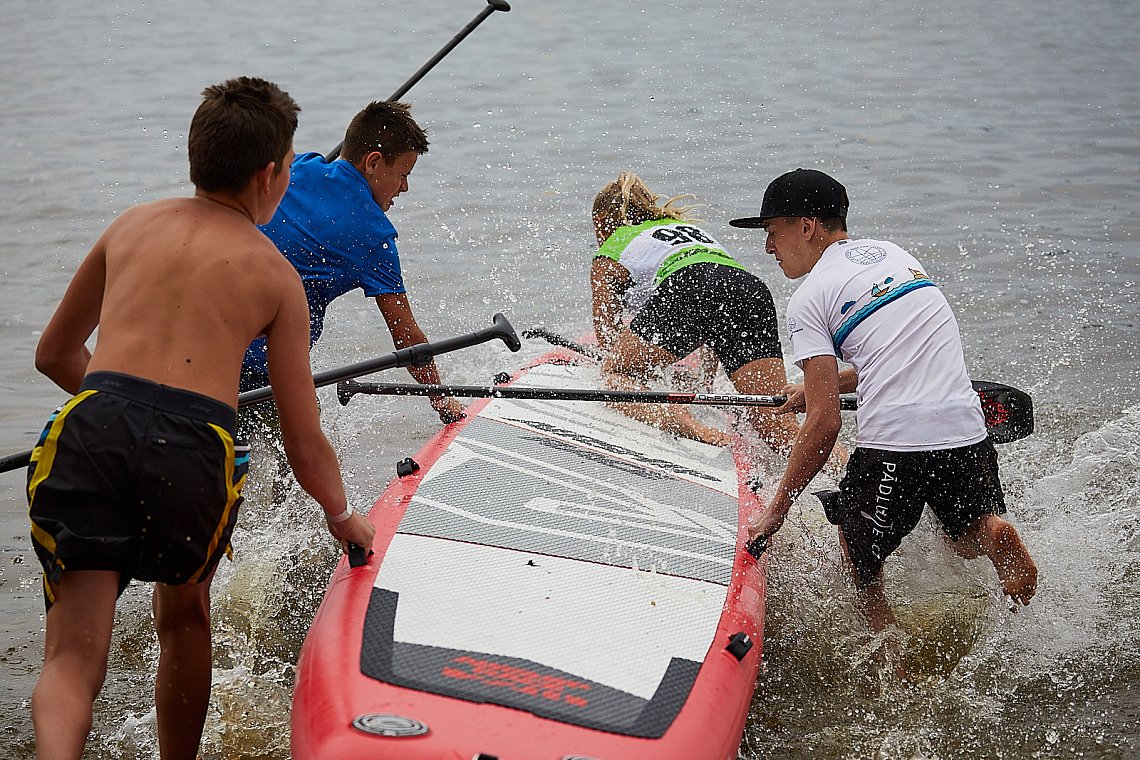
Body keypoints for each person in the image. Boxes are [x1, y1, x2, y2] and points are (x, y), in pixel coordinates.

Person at [26, 77, 375, 760]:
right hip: (194, 445)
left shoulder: (129, 225)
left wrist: (116, 403)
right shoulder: (276, 277)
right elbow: (304, 443)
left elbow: (53, 353)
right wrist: (343, 517)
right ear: (271, 176)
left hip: (93, 424)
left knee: (71, 659)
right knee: (184, 619)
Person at [733, 167, 1038, 632]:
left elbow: (824, 425)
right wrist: (825, 384)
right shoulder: (896, 257)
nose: (768, 247)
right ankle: (993, 534)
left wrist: (776, 510)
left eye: (773, 231)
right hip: (965, 429)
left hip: (894, 445)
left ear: (807, 227)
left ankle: (887, 652)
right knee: (964, 536)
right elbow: (895, 355)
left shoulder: (809, 298)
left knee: (858, 552)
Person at [240, 99, 465, 425]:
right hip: (265, 370)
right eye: (403, 173)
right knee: (305, 457)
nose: (404, 187)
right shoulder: (373, 236)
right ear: (373, 162)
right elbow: (408, 339)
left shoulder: (299, 168)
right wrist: (441, 398)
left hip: (207, 338)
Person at [590, 171, 799, 451]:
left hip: (690, 286)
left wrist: (632, 368)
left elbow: (607, 340)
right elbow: (715, 298)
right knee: (774, 419)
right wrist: (704, 380)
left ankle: (676, 419)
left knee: (612, 377)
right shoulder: (686, 230)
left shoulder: (612, 246)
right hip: (749, 288)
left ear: (602, 223)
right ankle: (848, 471)